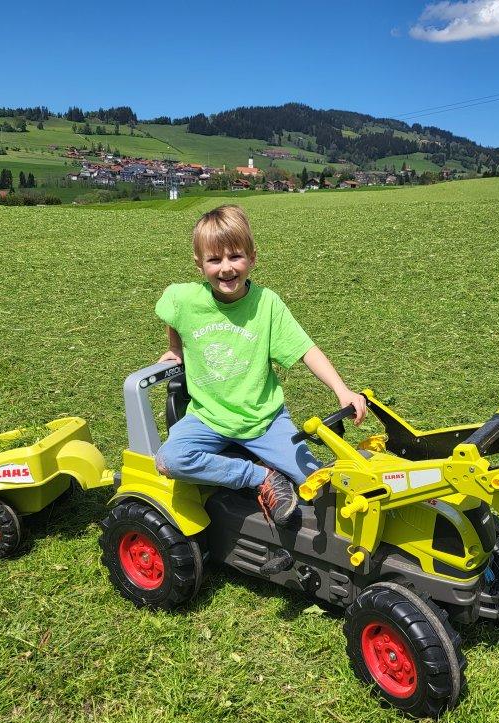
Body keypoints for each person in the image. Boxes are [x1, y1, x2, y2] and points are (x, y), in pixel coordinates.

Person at [154, 204, 366, 527]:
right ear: (200, 265)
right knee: (169, 459)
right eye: (214, 260)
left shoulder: (267, 305)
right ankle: (259, 476)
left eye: (235, 256)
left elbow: (306, 349)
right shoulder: (185, 299)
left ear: (252, 257)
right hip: (207, 418)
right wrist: (174, 348)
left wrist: (342, 390)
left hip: (264, 420)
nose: (226, 268)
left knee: (319, 483)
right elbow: (170, 308)